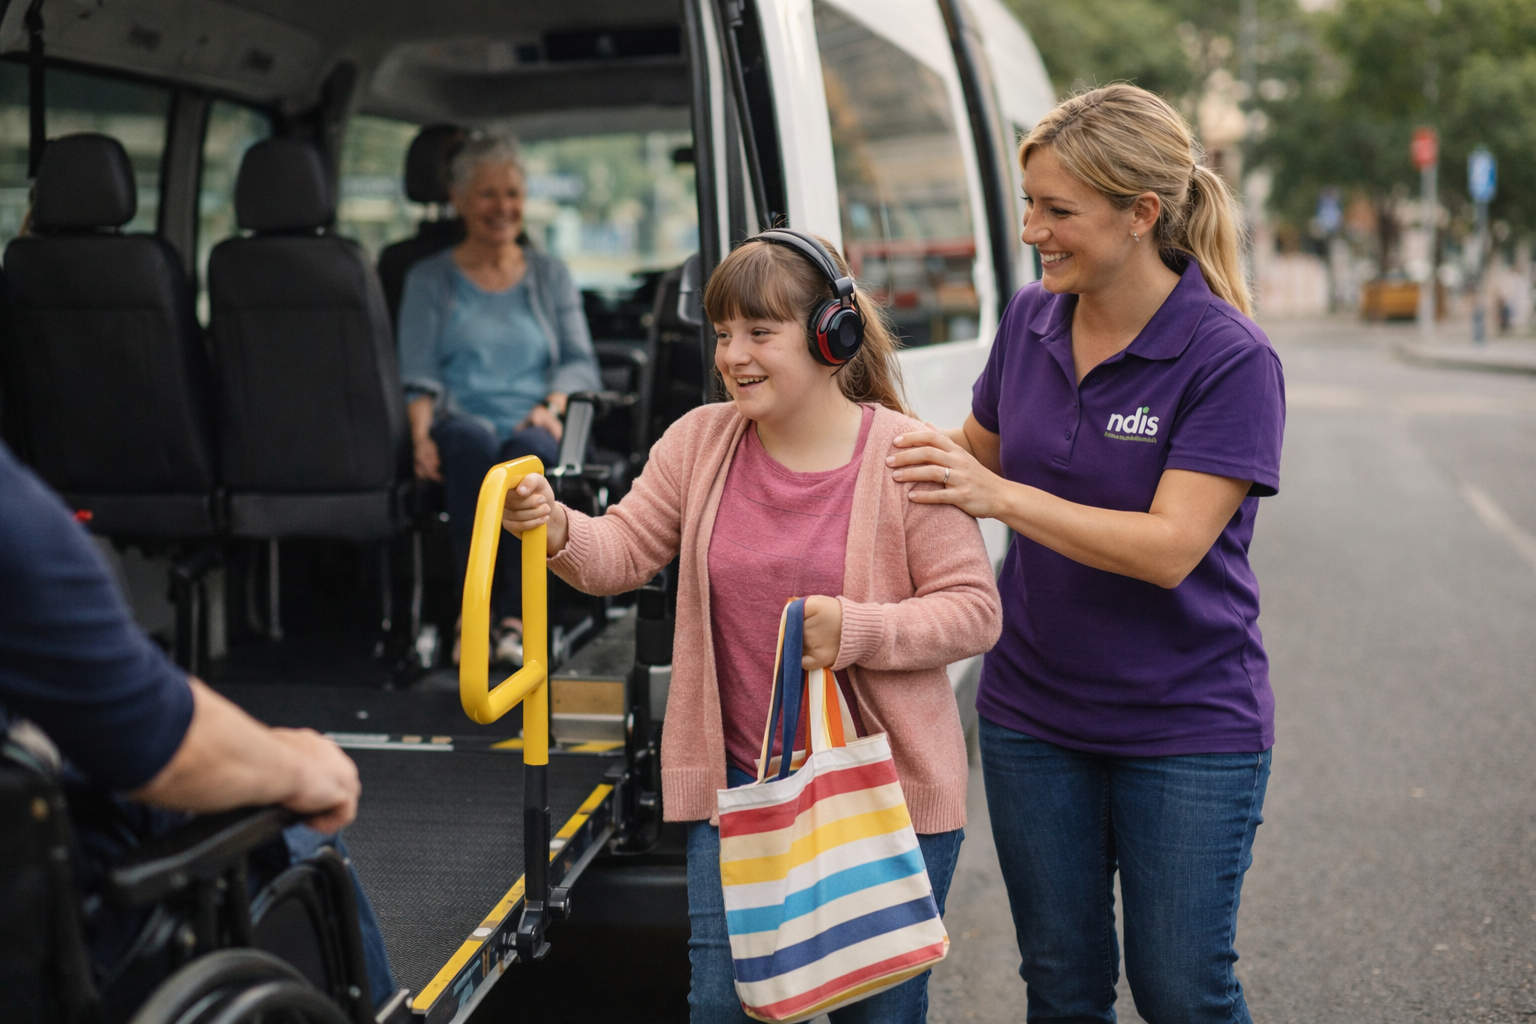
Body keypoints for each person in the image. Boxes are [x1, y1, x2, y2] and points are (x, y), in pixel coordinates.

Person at [502, 231, 1002, 1023]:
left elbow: (975, 609)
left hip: (884, 797)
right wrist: (556, 527)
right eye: (724, 333)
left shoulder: (905, 454)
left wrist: (859, 630)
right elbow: (622, 552)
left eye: (759, 333)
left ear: (830, 335)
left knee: (877, 1015)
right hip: (739, 795)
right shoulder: (700, 442)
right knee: (722, 1007)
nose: (733, 355)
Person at [889, 84, 1286, 1024]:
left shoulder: (1229, 358)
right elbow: (966, 458)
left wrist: (1004, 500)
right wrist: (828, 427)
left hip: (1188, 726)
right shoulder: (1030, 321)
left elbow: (1169, 549)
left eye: (1057, 210)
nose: (1032, 230)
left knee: (1181, 992)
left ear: (1141, 215)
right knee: (1062, 989)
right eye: (1030, 203)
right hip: (1033, 714)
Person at [0, 440, 397, 1010]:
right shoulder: (15, 521)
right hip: (59, 947)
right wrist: (304, 768)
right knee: (306, 824)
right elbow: (161, 741)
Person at [396, 132, 602, 664]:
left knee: (523, 460)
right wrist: (420, 436)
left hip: (532, 422)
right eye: (488, 194)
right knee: (468, 445)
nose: (503, 207)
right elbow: (417, 370)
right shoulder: (428, 278)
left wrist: (553, 404)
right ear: (459, 199)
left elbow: (580, 360)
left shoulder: (550, 274)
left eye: (512, 193)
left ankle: (518, 617)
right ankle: (475, 615)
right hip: (460, 423)